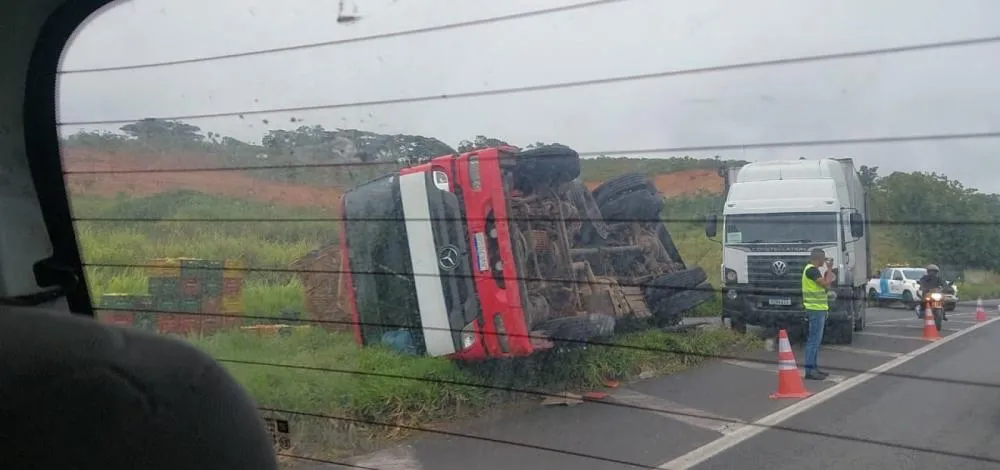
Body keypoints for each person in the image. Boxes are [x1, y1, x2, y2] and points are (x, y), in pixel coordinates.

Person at [802, 248, 835, 380]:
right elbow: (827, 285)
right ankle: (810, 370)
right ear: (818, 258)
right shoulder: (812, 270)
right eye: (823, 258)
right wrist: (830, 269)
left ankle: (814, 368)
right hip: (815, 309)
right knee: (813, 341)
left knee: (815, 341)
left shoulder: (812, 270)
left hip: (818, 308)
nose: (824, 261)